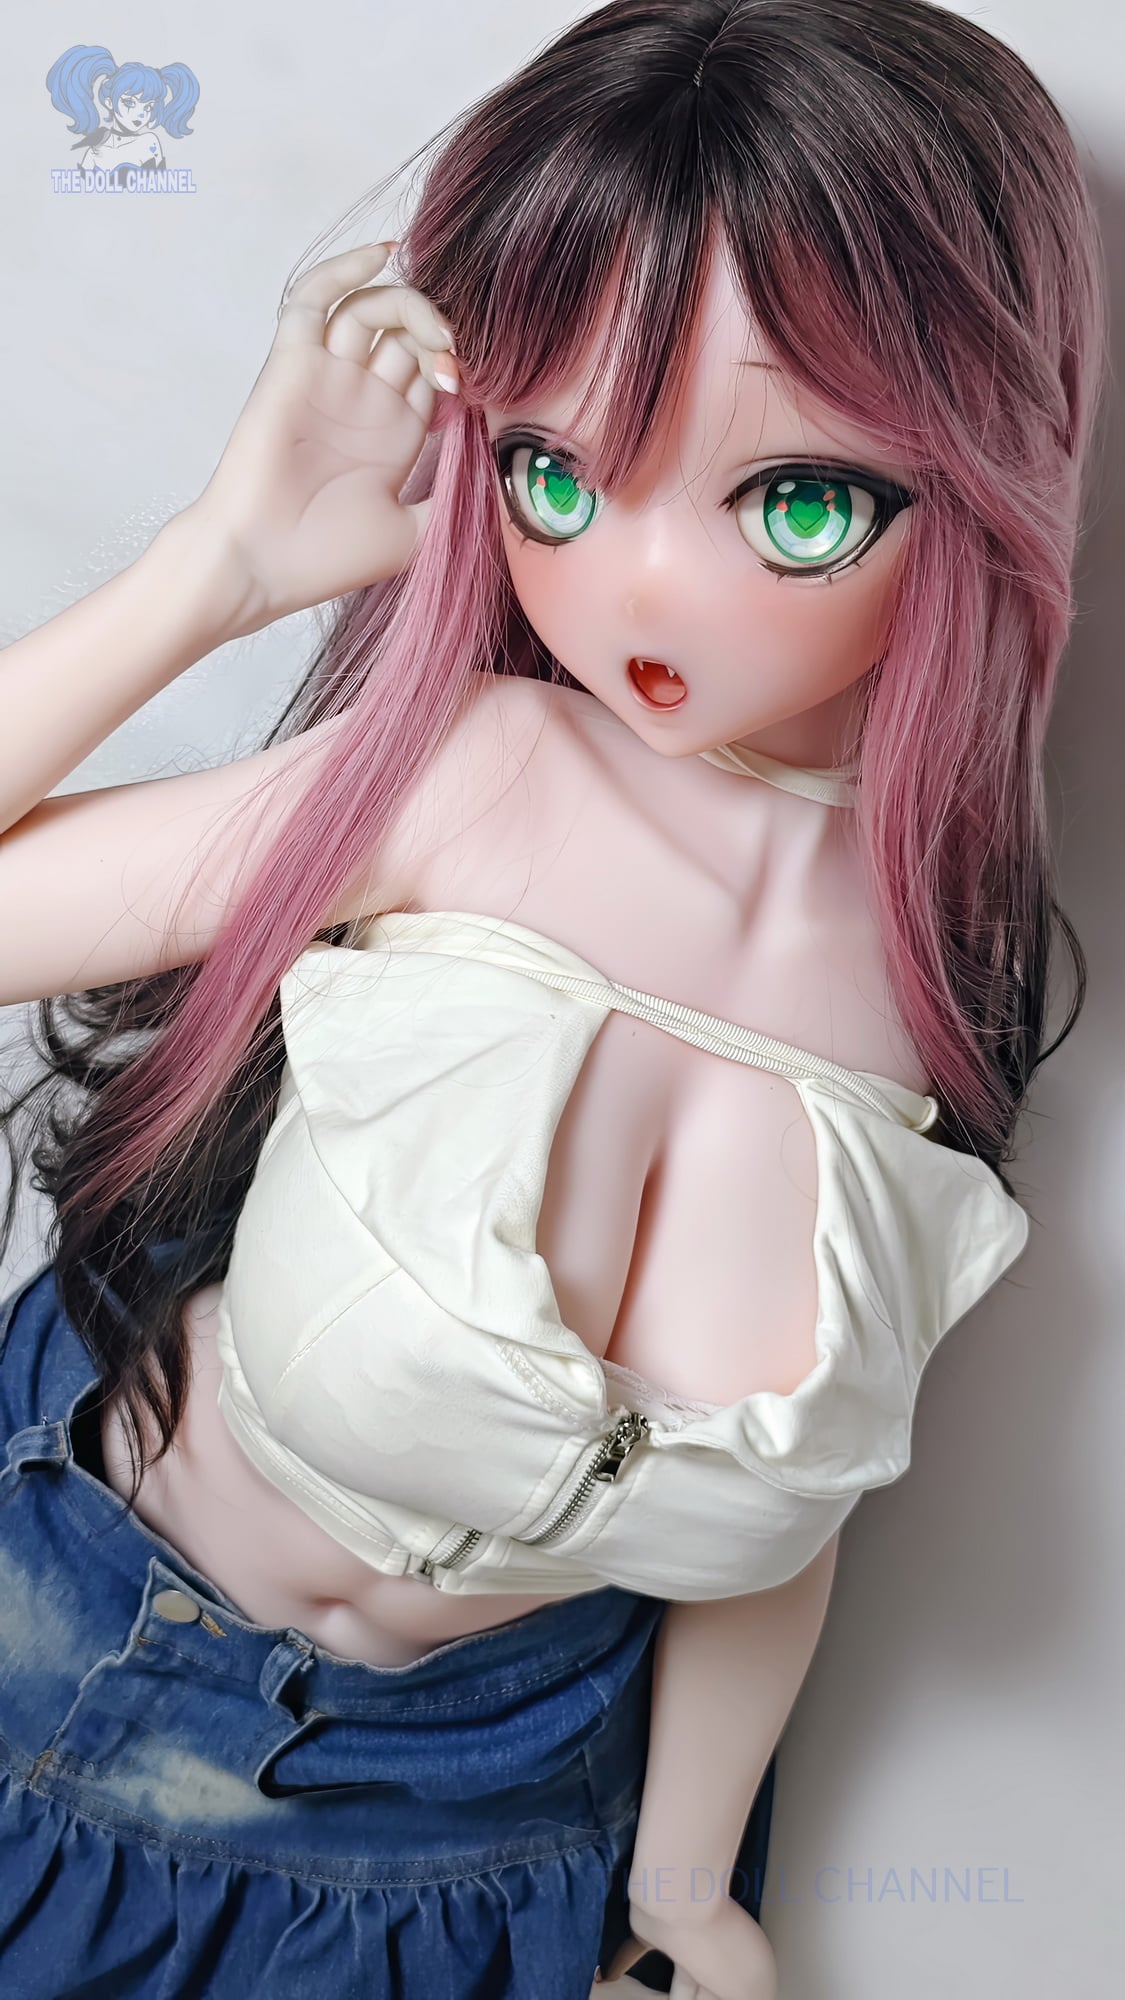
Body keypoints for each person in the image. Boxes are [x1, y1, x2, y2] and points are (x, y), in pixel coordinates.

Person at [0, 2, 1108, 1995]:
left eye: (791, 499)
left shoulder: (932, 979)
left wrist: (682, 1889)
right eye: (556, 475)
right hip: (60, 1658)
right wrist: (218, 564)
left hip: (484, 1839)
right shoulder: (479, 780)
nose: (636, 595)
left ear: (976, 476)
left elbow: (792, 1516)